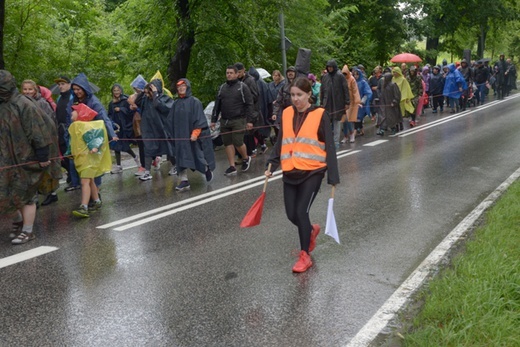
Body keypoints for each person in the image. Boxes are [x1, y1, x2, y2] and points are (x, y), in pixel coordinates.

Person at [265, 77, 339, 273]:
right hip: (291, 169)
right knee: (291, 214)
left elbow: (329, 145)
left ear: (309, 95)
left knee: (300, 212)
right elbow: (281, 140)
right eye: (292, 95)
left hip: (313, 170)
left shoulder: (320, 114)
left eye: (299, 95)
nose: (295, 99)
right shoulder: (287, 113)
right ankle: (310, 230)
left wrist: (333, 175)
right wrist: (272, 164)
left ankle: (304, 255)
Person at [0, 70, 52, 244]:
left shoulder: (23, 104)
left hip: (25, 157)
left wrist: (42, 155)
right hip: (6, 157)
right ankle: (19, 222)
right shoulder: (3, 103)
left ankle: (28, 231)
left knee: (26, 193)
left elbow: (37, 131)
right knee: (8, 191)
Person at [166, 79, 216, 191]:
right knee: (180, 159)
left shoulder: (195, 102)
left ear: (187, 87)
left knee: (196, 156)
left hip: (192, 137)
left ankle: (206, 169)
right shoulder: (176, 104)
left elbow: (199, 119)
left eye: (183, 86)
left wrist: (195, 133)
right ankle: (184, 181)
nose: (181, 88)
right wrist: (170, 135)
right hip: (179, 138)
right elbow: (170, 121)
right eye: (179, 87)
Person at [20, 80, 62, 206]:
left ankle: (52, 193)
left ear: (35, 90)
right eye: (25, 89)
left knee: (47, 167)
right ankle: (35, 197)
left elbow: (49, 122)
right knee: (33, 168)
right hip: (29, 141)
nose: (27, 92)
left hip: (44, 139)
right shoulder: (21, 104)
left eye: (30, 89)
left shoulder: (42, 103)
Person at [68, 104, 111, 217]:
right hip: (82, 159)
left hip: (88, 160)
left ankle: (84, 207)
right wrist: (69, 152)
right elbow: (73, 142)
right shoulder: (76, 126)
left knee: (84, 182)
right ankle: (96, 201)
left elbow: (95, 137)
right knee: (91, 181)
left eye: (74, 111)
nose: (71, 113)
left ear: (81, 114)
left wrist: (94, 146)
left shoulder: (85, 127)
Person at [211, 65, 253, 175]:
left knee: (238, 141)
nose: (229, 75)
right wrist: (213, 120)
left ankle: (245, 158)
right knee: (227, 143)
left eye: (231, 73)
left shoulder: (242, 87)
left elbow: (249, 104)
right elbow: (217, 105)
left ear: (236, 74)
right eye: (227, 73)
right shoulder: (222, 88)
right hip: (225, 120)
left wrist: (249, 121)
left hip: (239, 119)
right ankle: (232, 166)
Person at [135, 79, 174, 181]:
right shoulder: (146, 100)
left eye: (150, 91)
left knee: (168, 148)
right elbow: (136, 102)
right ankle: (147, 172)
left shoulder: (164, 98)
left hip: (161, 129)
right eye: (148, 91)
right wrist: (143, 91)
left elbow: (159, 105)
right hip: (149, 130)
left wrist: (155, 93)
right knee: (148, 149)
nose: (149, 94)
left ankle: (176, 165)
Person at [54, 76, 79, 192]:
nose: (60, 86)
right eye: (59, 84)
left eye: (63, 84)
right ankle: (72, 176)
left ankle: (75, 182)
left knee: (71, 155)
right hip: (60, 130)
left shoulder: (73, 97)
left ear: (69, 84)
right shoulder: (59, 98)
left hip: (71, 129)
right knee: (64, 155)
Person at [108, 83, 139, 174]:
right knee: (116, 146)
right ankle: (118, 166)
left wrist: (121, 109)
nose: (116, 92)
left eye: (118, 90)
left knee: (125, 146)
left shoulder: (125, 100)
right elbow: (109, 114)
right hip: (116, 128)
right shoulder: (111, 103)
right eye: (114, 90)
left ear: (121, 91)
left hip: (125, 127)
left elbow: (130, 112)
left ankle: (136, 158)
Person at [320, 59, 350, 147]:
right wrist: (322, 102)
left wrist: (347, 102)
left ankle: (336, 141)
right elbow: (322, 90)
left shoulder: (340, 76)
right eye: (328, 67)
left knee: (337, 121)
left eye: (331, 67)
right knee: (327, 122)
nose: (329, 69)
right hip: (327, 102)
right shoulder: (325, 77)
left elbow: (345, 89)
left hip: (338, 102)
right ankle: (328, 140)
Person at [340, 64, 360, 143]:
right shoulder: (341, 79)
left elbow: (355, 90)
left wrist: (357, 101)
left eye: (345, 74)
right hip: (344, 101)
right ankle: (345, 136)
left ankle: (351, 134)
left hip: (351, 102)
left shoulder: (352, 79)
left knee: (349, 119)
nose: (344, 75)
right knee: (344, 120)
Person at [352, 67, 372, 136]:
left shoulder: (363, 82)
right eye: (354, 75)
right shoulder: (353, 82)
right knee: (356, 117)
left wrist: (362, 101)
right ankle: (361, 129)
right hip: (354, 102)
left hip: (361, 103)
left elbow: (367, 93)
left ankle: (355, 131)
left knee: (358, 117)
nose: (355, 76)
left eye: (357, 75)